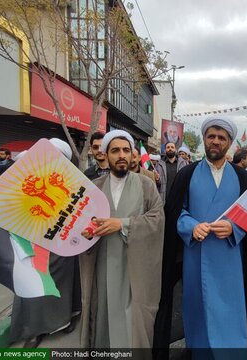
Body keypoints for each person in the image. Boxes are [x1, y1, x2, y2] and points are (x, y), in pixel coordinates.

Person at [154, 116, 247, 354]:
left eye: (221, 138)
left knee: (230, 312)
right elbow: (178, 212)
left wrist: (234, 228)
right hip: (195, 257)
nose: (216, 141)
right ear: (204, 140)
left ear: (229, 143)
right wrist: (191, 226)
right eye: (211, 136)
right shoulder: (187, 173)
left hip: (230, 257)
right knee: (197, 309)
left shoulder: (243, 178)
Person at [79, 130, 164, 348]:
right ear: (106, 155)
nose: (122, 155)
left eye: (126, 150)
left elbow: (157, 220)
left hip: (134, 269)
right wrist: (85, 232)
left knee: (133, 327)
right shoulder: (94, 187)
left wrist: (122, 224)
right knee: (102, 319)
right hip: (102, 266)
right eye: (115, 150)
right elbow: (79, 224)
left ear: (133, 155)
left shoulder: (146, 185)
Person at [8, 138, 81, 348]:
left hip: (62, 244)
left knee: (63, 285)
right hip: (32, 242)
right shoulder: (27, 179)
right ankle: (33, 329)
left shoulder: (69, 183)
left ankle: (65, 319)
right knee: (32, 283)